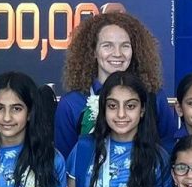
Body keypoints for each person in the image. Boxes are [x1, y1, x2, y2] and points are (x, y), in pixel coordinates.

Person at [62, 72, 170, 187]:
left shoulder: (157, 158)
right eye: (112, 106)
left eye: (130, 106)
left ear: (142, 110)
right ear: (103, 108)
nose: (121, 114)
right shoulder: (84, 149)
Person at [55, 11, 178, 159]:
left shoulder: (154, 97)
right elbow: (65, 162)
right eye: (108, 46)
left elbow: (169, 151)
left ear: (134, 51)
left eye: (125, 46)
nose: (117, 53)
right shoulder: (71, 104)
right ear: (93, 51)